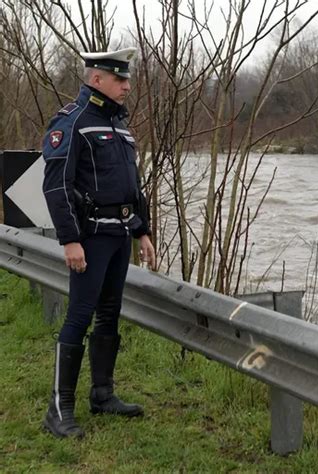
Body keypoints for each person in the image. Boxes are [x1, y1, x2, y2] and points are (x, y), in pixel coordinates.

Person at [41, 47, 155, 438]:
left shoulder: (120, 127)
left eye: (126, 79)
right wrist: (70, 240)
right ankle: (59, 410)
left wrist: (142, 230)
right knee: (80, 315)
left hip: (120, 236)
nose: (127, 85)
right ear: (96, 79)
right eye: (120, 79)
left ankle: (102, 395)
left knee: (110, 313)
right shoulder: (72, 123)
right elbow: (57, 186)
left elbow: (131, 186)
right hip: (90, 239)